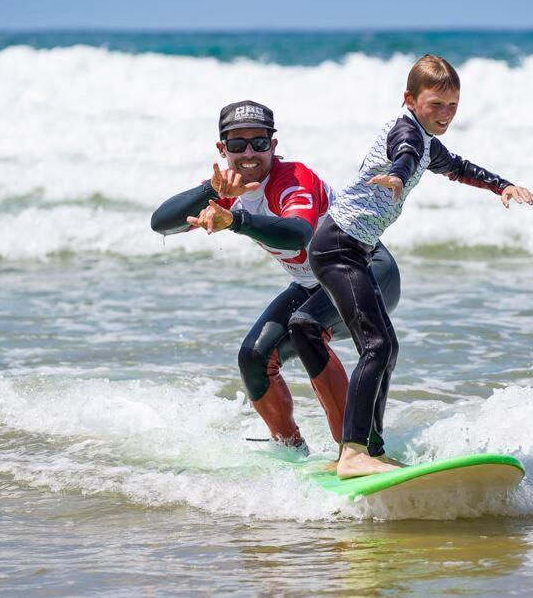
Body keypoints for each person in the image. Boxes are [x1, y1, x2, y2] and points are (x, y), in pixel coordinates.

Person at [309, 54, 533, 479]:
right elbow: (405, 155)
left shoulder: (427, 140)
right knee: (377, 347)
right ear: (410, 99)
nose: (445, 114)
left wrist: (501, 185)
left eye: (452, 106)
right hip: (337, 246)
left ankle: (365, 449)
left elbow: (457, 167)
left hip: (353, 248)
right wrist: (397, 176)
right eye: (436, 105)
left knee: (384, 348)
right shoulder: (407, 133)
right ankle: (353, 453)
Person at [151, 100, 400, 456]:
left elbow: (297, 233)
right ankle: (291, 452)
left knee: (305, 327)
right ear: (223, 150)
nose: (249, 153)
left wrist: (236, 221)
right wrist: (210, 191)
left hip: (368, 271)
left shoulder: (293, 179)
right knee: (253, 357)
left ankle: (360, 451)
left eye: (259, 143)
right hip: (315, 284)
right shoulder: (226, 188)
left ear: (273, 145)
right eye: (237, 145)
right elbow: (161, 223)